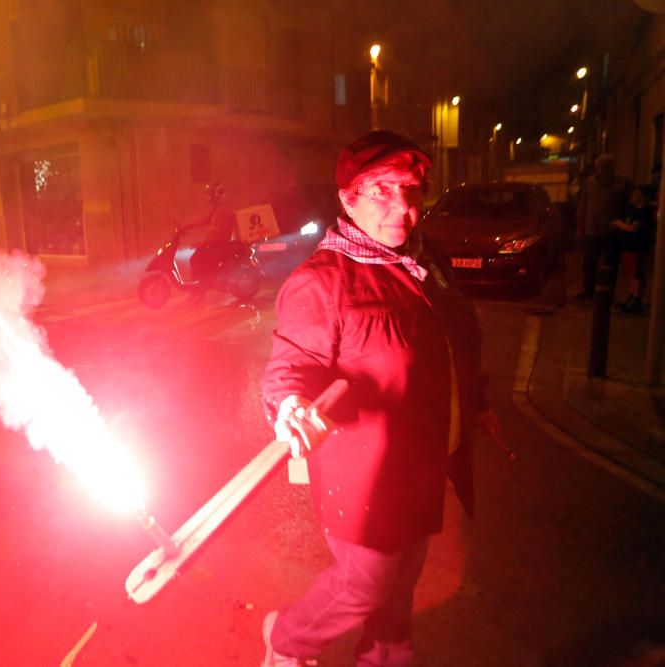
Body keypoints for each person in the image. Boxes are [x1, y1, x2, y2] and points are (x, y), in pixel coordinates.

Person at [260, 130, 497, 666]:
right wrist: (290, 405)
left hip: (422, 462)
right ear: (347, 199)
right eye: (382, 191)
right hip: (363, 474)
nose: (402, 207)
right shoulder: (324, 280)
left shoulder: (421, 258)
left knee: (399, 585)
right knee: (362, 586)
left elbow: (455, 335)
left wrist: (477, 402)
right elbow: (291, 364)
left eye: (411, 191)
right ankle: (287, 642)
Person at [574, 154, 630, 298]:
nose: (603, 170)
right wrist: (580, 226)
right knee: (589, 263)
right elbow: (583, 204)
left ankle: (608, 291)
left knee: (611, 263)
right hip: (592, 229)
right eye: (600, 167)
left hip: (612, 230)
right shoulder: (590, 182)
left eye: (606, 167)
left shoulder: (622, 183)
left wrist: (624, 225)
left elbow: (629, 205)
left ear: (612, 167)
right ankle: (589, 289)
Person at [185, 182, 238, 299]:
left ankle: (199, 294)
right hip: (216, 244)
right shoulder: (218, 208)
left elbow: (219, 235)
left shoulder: (222, 210)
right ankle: (199, 291)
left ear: (216, 195)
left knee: (196, 260)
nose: (206, 198)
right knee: (197, 258)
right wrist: (186, 227)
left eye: (208, 195)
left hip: (219, 246)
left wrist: (201, 244)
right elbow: (206, 220)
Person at [611, 184, 656, 313]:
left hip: (638, 247)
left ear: (645, 197)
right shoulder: (636, 210)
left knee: (637, 274)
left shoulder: (644, 212)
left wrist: (619, 224)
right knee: (633, 274)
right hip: (631, 247)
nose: (633, 196)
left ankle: (636, 300)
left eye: (637, 194)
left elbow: (633, 228)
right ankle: (632, 297)